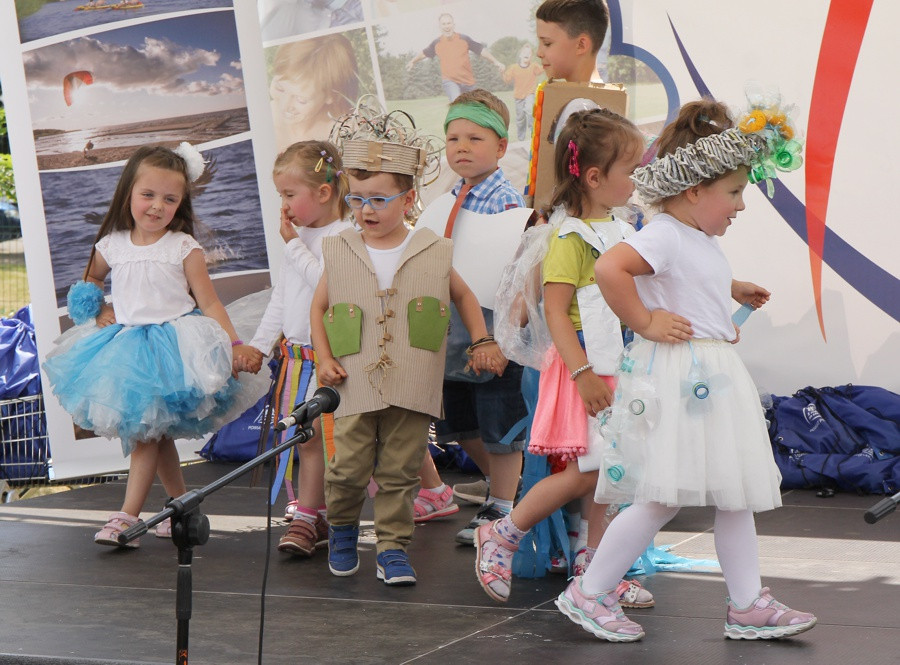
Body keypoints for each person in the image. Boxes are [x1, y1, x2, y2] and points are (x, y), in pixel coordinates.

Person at [556, 99, 815, 642]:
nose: (741, 206)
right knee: (659, 496)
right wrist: (645, 320)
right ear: (694, 191)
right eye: (735, 192)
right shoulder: (666, 233)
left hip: (707, 373)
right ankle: (591, 589)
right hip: (681, 377)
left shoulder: (693, 238)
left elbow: (683, 279)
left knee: (734, 491)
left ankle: (747, 604)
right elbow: (611, 267)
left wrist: (728, 290)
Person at [474, 107, 653, 611]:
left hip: (617, 365)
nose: (637, 179)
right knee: (589, 471)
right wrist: (582, 374)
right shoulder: (569, 237)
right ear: (595, 177)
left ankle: (595, 563)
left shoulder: (621, 230)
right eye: (631, 170)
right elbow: (555, 312)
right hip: (585, 367)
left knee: (613, 471)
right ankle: (505, 532)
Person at [42, 144, 261, 547]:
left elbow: (209, 301)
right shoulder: (112, 243)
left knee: (149, 436)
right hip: (127, 349)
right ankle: (183, 506)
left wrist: (232, 344)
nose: (157, 206)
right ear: (128, 193)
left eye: (170, 199)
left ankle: (127, 517)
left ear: (181, 204)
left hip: (174, 347)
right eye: (148, 195)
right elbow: (90, 279)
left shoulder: (183, 247)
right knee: (153, 435)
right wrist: (99, 306)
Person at [310, 130, 503, 585]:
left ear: (408, 198)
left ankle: (392, 547)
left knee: (400, 469)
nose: (366, 211)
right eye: (356, 200)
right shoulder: (340, 249)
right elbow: (318, 307)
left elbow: (465, 295)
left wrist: (481, 340)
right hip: (352, 380)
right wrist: (323, 356)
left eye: (378, 199)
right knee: (348, 468)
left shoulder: (431, 248)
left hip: (413, 381)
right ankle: (340, 529)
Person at [242, 141, 352, 557]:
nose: (284, 206)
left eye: (290, 195)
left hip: (330, 360)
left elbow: (331, 283)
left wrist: (292, 244)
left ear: (323, 193)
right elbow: (282, 297)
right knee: (307, 438)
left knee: (351, 441)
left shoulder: (345, 234)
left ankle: (425, 492)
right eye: (281, 196)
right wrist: (258, 345)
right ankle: (310, 514)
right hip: (298, 359)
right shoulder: (299, 237)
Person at [431, 89, 530, 546]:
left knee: (497, 418)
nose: (462, 147)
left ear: (501, 147)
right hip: (452, 327)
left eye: (475, 137)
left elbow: (516, 265)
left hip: (490, 326)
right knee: (458, 419)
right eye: (453, 138)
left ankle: (504, 505)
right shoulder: (448, 198)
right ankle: (507, 492)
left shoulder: (505, 202)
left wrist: (502, 333)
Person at [269, 35, 359, 150]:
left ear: (331, 95)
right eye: (279, 88)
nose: (284, 105)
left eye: (301, 99)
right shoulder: (264, 120)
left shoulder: (343, 133)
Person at [406, 13, 505, 102]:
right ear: (440, 27)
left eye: (449, 23)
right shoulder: (437, 43)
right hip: (450, 81)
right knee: (457, 103)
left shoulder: (464, 39)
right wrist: (413, 61)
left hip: (468, 82)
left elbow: (481, 50)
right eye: (443, 24)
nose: (446, 26)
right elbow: (424, 53)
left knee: (475, 109)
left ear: (453, 25)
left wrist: (496, 62)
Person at [503, 44, 544, 141]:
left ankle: (533, 133)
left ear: (531, 57)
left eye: (529, 53)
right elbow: (507, 79)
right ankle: (521, 139)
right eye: (525, 53)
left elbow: (543, 69)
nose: (527, 55)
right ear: (520, 55)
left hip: (530, 93)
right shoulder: (514, 68)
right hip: (518, 97)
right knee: (520, 119)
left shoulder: (534, 66)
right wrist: (502, 72)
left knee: (530, 110)